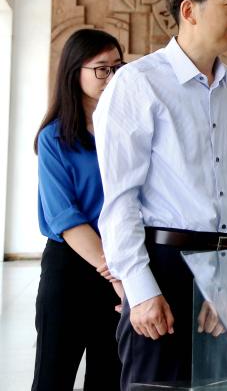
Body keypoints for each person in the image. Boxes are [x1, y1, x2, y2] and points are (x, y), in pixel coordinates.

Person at [95, 0, 227, 388]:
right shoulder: (138, 83)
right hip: (164, 269)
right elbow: (120, 201)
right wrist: (140, 289)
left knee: (225, 387)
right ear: (189, 10)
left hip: (225, 268)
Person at [32, 29, 124, 390]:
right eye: (102, 68)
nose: (112, 76)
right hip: (71, 268)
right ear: (74, 72)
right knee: (53, 378)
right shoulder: (53, 138)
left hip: (120, 259)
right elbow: (66, 219)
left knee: (109, 378)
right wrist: (118, 277)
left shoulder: (125, 132)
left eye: (117, 66)